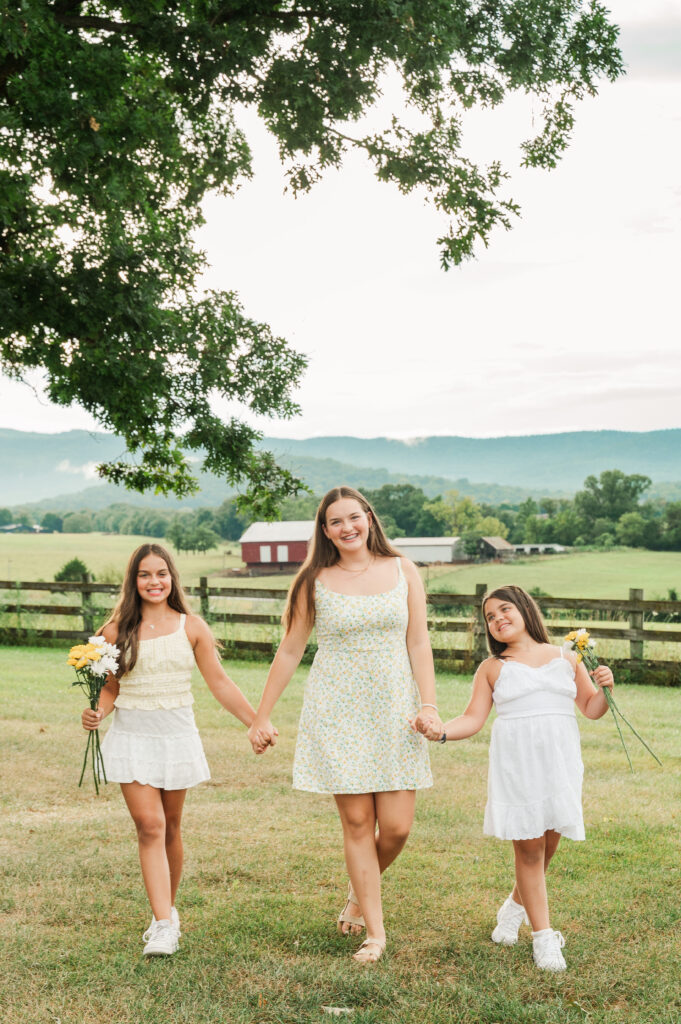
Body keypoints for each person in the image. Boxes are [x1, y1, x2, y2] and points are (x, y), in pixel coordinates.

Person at [247, 486, 440, 963]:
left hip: (395, 710)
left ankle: (358, 891)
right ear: (325, 530)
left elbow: (419, 642)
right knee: (357, 823)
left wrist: (429, 705)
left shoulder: (403, 569)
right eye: (335, 521)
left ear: (369, 518)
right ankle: (375, 933)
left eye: (354, 517)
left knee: (396, 828)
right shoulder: (313, 580)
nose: (347, 527)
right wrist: (261, 715)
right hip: (337, 711)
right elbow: (291, 649)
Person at [415, 584, 614, 972]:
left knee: (549, 844)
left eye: (504, 609)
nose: (498, 619)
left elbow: (591, 708)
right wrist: (440, 731)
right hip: (518, 765)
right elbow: (473, 718)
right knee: (529, 850)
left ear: (525, 609)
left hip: (560, 763)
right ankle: (543, 939)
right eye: (490, 617)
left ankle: (513, 908)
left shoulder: (567, 657)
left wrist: (606, 688)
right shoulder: (492, 668)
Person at [81, 543, 259, 957]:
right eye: (145, 574)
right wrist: (97, 712)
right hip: (132, 737)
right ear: (133, 580)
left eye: (161, 573)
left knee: (172, 827)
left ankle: (167, 910)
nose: (154, 581)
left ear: (172, 578)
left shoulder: (191, 627)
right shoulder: (114, 632)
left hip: (177, 736)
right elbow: (110, 689)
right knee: (150, 826)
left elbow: (219, 682)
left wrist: (255, 722)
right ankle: (163, 926)